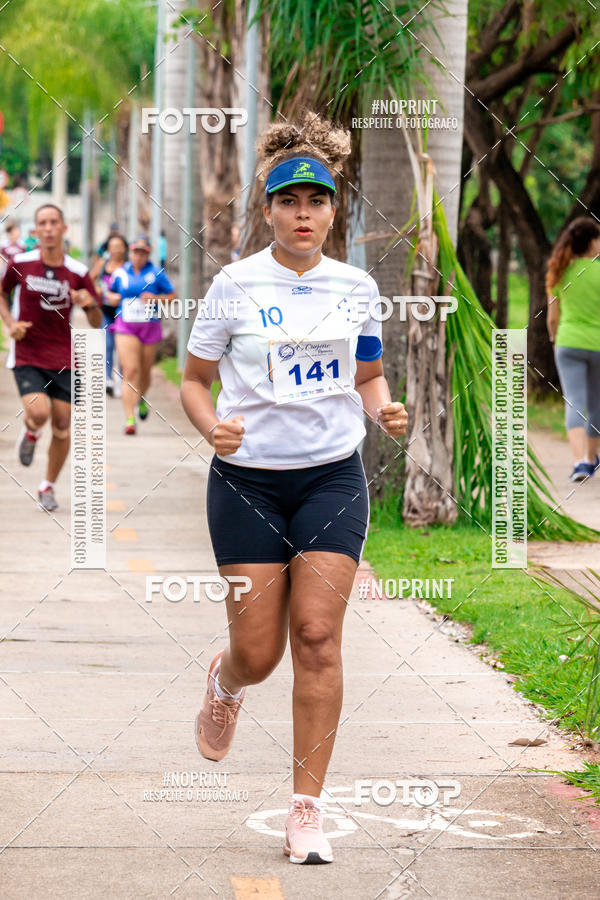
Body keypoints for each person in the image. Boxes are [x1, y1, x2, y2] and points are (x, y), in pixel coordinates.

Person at [181, 115, 408, 865]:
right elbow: (192, 379)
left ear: (333, 209)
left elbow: (368, 376)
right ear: (268, 210)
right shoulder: (234, 284)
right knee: (260, 651)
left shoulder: (357, 287)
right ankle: (226, 679)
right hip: (246, 483)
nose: (303, 213)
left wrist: (385, 410)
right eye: (289, 201)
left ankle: (306, 808)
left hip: (331, 477)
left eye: (317, 200)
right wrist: (212, 426)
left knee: (316, 638)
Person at [0, 204, 102, 511]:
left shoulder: (78, 272)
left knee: (62, 425)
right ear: (35, 231)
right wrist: (10, 324)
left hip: (65, 357)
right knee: (41, 413)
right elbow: (2, 294)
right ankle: (32, 430)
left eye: (53, 222)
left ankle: (48, 486)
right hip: (28, 352)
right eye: (42, 223)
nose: (48, 228)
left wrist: (89, 304)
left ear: (63, 228)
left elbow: (97, 322)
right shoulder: (21, 263)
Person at [546, 216, 600, 482]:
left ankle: (579, 462)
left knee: (574, 401)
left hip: (568, 342)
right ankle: (591, 459)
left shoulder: (559, 271)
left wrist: (555, 339)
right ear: (591, 242)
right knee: (596, 404)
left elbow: (552, 317)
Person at [107, 236, 175, 435]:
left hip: (149, 327)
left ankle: (141, 399)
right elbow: (109, 294)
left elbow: (172, 296)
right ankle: (130, 419)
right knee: (130, 371)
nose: (139, 256)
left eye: (143, 252)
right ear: (130, 253)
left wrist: (157, 299)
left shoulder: (156, 273)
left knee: (145, 373)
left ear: (148, 254)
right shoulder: (120, 273)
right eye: (136, 252)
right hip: (125, 326)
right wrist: (112, 298)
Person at [96, 233, 128, 396]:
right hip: (106, 311)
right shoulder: (103, 264)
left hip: (124, 313)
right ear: (108, 249)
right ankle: (108, 379)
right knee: (109, 345)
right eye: (113, 247)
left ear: (124, 249)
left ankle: (123, 380)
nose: (116, 250)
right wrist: (98, 291)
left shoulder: (128, 266)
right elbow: (90, 280)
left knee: (123, 348)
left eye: (119, 246)